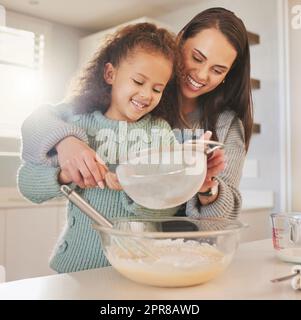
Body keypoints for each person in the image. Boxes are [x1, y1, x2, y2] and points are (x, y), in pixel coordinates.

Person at [20, 7, 253, 220]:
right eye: (197, 57)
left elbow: (223, 218)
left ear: (227, 76)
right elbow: (37, 121)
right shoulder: (122, 103)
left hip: (185, 250)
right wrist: (67, 141)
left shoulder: (224, 124)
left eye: (217, 70)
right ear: (179, 44)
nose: (202, 75)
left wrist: (205, 188)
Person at [18, 22, 185, 273]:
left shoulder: (160, 133)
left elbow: (168, 206)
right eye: (138, 81)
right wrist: (64, 172)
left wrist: (135, 187)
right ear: (110, 74)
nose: (146, 94)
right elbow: (28, 185)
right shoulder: (79, 124)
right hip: (76, 267)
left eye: (157, 88)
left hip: (137, 268)